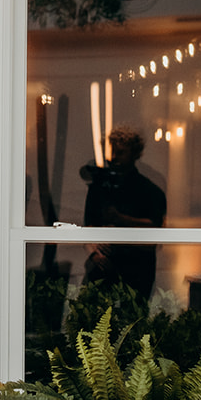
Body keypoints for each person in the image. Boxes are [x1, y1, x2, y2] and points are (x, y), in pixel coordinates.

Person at [80, 126, 165, 299]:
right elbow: (88, 225)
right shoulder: (99, 188)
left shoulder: (149, 191)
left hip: (136, 271)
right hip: (103, 269)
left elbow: (155, 230)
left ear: (135, 154)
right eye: (112, 152)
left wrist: (121, 219)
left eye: (120, 152)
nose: (114, 158)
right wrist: (94, 253)